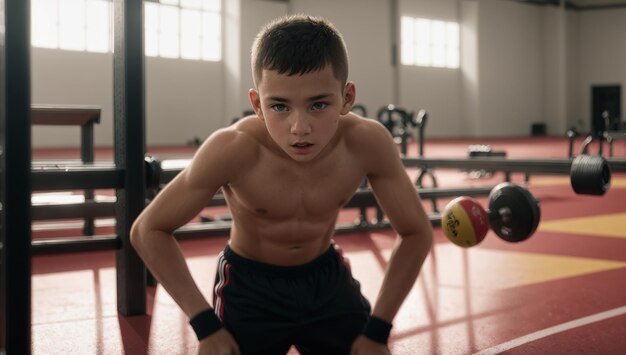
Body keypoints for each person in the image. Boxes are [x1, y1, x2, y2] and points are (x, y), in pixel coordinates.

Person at [131, 14, 433, 355]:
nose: (299, 128)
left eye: (319, 104)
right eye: (279, 106)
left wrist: (378, 330)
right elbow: (148, 230)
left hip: (326, 281)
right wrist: (205, 326)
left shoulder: (367, 143)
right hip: (248, 287)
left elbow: (416, 232)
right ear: (257, 103)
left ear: (347, 97)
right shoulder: (233, 149)